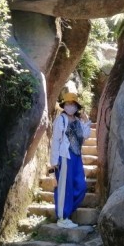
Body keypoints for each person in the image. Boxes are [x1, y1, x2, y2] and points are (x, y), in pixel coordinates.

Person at [49, 92, 91, 229]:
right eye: (68, 104)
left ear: (76, 106)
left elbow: (85, 136)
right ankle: (62, 217)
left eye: (73, 104)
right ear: (64, 105)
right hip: (64, 156)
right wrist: (54, 162)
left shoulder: (78, 121)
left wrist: (86, 121)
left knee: (80, 186)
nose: (70, 106)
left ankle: (67, 211)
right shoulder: (60, 120)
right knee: (64, 187)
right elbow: (55, 140)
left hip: (76, 157)